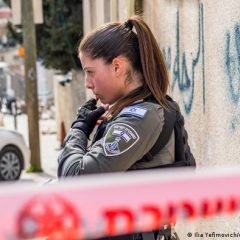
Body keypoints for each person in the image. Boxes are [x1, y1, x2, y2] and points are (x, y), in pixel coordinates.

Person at [57, 16, 181, 240]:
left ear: (117, 66)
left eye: (90, 71)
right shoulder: (134, 110)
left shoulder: (140, 117)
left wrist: (78, 130)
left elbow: (75, 177)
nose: (87, 82)